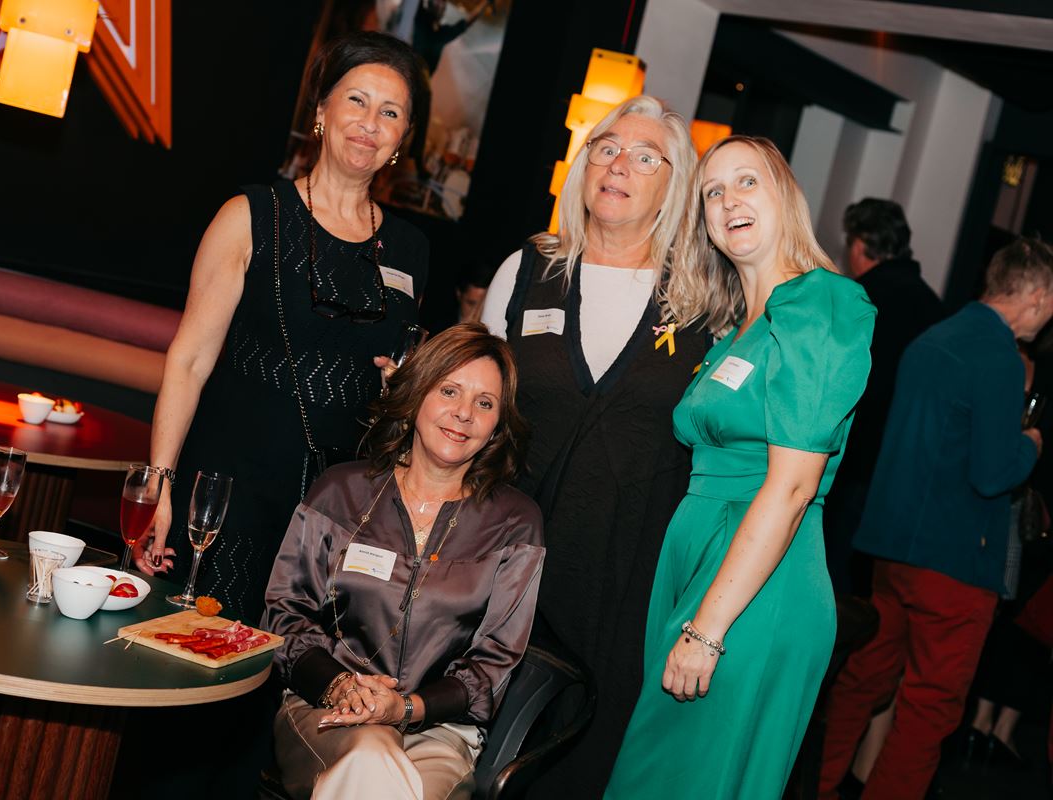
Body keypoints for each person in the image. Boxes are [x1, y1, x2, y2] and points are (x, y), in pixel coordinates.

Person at [605, 135, 875, 799]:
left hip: (758, 586)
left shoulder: (820, 305)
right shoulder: (737, 329)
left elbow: (792, 487)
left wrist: (708, 629)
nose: (729, 201)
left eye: (747, 181)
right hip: (705, 563)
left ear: (785, 195)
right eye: (713, 192)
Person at [137, 31, 431, 625]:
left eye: (390, 112)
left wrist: (402, 386)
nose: (369, 123)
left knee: (295, 669)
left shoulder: (411, 249)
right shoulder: (249, 216)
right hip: (230, 490)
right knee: (199, 650)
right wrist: (159, 486)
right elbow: (189, 361)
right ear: (321, 111)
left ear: (403, 137)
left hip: (337, 512)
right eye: (356, 100)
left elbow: (398, 378)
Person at [480, 94, 710, 798]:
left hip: (626, 575)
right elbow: (474, 402)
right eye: (606, 148)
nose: (618, 165)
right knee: (471, 746)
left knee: (579, 765)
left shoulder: (704, 299)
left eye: (645, 157)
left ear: (675, 187)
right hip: (506, 559)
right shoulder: (527, 269)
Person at [262, 322, 543, 800]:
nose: (464, 414)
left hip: (440, 731)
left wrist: (405, 708)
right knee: (370, 753)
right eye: (449, 391)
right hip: (323, 708)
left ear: (498, 425)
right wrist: (341, 686)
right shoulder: (340, 491)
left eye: (485, 403)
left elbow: (492, 664)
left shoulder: (516, 523)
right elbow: (284, 616)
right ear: (415, 395)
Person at [818, 237, 1053, 800]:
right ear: (1038, 296)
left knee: (862, 682)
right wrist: (1031, 445)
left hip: (893, 545)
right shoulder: (998, 354)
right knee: (930, 709)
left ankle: (813, 785)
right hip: (953, 557)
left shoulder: (935, 336)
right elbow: (993, 474)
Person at [825, 198, 945, 595]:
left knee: (832, 570)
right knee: (872, 589)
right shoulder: (935, 308)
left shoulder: (860, 301)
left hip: (854, 461)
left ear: (859, 245)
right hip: (907, 468)